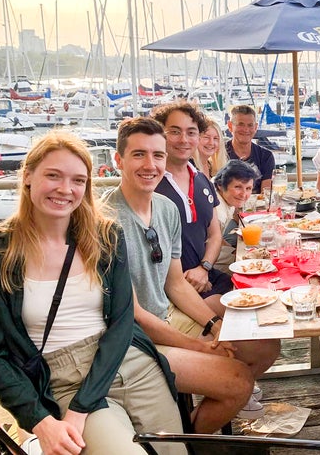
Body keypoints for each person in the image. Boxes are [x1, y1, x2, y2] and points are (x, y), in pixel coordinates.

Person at [0, 131, 183, 455]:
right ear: (28, 176)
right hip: (63, 379)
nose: (65, 189)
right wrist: (40, 420)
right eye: (53, 176)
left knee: (175, 451)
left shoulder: (106, 237)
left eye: (78, 180)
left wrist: (82, 407)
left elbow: (121, 323)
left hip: (129, 361)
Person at [105, 117, 274, 428]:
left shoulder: (165, 208)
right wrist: (199, 345)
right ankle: (187, 441)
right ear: (119, 160)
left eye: (157, 155)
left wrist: (214, 325)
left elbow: (175, 284)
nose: (150, 165)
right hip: (133, 337)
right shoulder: (106, 222)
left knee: (265, 346)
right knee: (238, 380)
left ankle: (192, 428)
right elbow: (134, 314)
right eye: (139, 154)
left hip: (168, 314)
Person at [152, 102, 229, 315]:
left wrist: (204, 267)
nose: (184, 139)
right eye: (175, 132)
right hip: (172, 290)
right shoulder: (151, 184)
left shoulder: (202, 180)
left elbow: (214, 235)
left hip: (206, 276)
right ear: (160, 134)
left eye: (191, 132)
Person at [212, 159, 260, 270]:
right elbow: (209, 245)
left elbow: (218, 237)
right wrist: (235, 254)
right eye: (238, 187)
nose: (243, 194)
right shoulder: (218, 213)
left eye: (248, 188)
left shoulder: (222, 195)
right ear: (220, 185)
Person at [225, 105, 274, 193]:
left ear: (256, 127)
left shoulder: (266, 156)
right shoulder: (219, 153)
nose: (246, 129)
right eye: (240, 124)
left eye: (250, 125)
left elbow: (266, 193)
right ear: (230, 126)